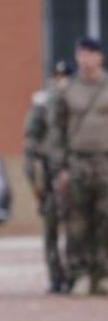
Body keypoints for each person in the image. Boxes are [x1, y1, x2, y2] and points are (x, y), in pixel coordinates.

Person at [53, 37, 108, 295]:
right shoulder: (67, 90)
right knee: (77, 221)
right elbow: (58, 132)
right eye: (81, 53)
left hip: (104, 160)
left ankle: (104, 273)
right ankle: (80, 273)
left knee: (105, 219)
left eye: (90, 54)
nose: (85, 59)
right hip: (77, 161)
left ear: (100, 57)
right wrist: (60, 168)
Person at [25, 60, 73, 293]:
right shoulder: (42, 104)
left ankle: (76, 273)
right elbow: (31, 140)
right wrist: (34, 177)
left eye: (65, 77)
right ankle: (56, 276)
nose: (60, 82)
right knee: (52, 227)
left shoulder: (77, 103)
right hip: (50, 174)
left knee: (78, 227)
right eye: (56, 77)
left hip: (75, 171)